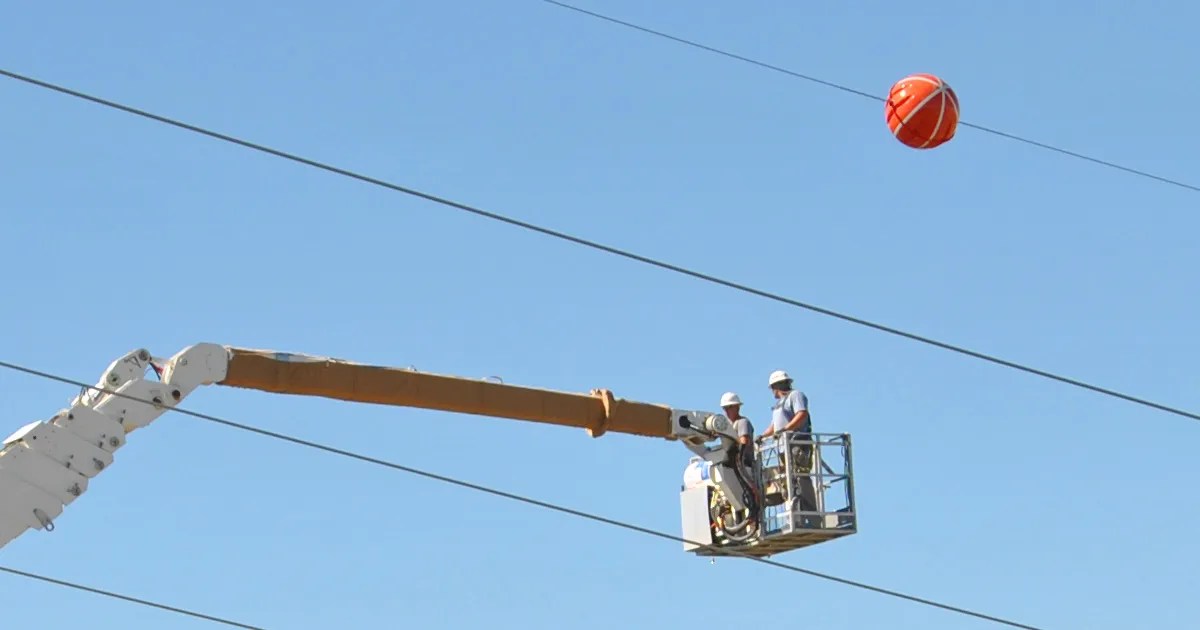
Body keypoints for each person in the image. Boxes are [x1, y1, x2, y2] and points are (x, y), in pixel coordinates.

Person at [759, 370, 819, 526]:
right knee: (789, 482)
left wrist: (786, 429)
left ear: (775, 386)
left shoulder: (795, 396)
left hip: (797, 444)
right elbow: (775, 425)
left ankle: (812, 516)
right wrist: (763, 436)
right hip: (783, 448)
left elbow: (801, 414)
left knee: (801, 478)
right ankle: (795, 518)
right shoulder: (780, 404)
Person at [719, 391, 759, 526]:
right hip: (733, 465)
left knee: (745, 493)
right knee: (735, 498)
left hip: (743, 463)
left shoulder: (742, 422)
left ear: (737, 407)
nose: (726, 411)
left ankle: (752, 518)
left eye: (729, 408)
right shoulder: (728, 426)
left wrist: (736, 453)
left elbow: (744, 440)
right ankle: (739, 522)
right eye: (725, 408)